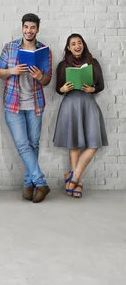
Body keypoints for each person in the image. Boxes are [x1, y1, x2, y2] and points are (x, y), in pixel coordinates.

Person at [0, 13, 52, 203]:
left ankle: (29, 184)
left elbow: (47, 80)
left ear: (37, 29)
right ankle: (40, 182)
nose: (29, 31)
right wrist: (11, 71)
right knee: (22, 144)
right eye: (26, 27)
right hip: (13, 104)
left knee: (33, 145)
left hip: (35, 104)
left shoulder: (44, 50)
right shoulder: (10, 48)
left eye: (32, 28)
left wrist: (39, 77)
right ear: (22, 28)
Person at [53, 33, 108, 197]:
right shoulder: (62, 65)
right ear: (68, 48)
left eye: (79, 43)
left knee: (93, 144)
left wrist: (93, 89)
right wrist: (63, 89)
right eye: (73, 44)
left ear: (83, 45)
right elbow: (58, 89)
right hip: (70, 105)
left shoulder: (93, 62)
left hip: (88, 104)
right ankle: (77, 184)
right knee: (74, 144)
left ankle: (72, 177)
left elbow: (101, 85)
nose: (77, 46)